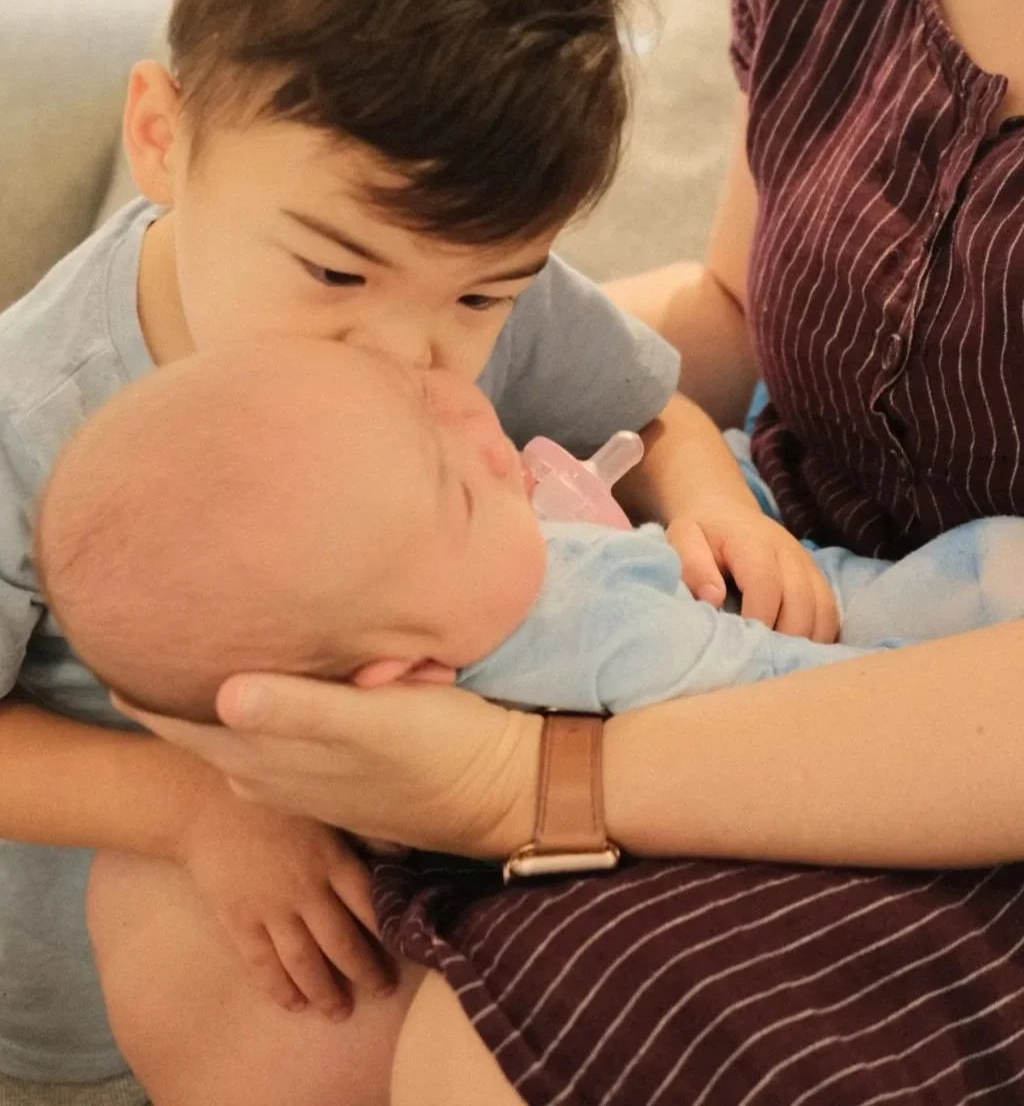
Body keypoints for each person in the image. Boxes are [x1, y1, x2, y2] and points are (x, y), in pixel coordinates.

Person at [126, 0, 1024, 1103]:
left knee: (507, 1051)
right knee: (200, 926)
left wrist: (523, 785)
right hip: (769, 569)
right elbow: (736, 314)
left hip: (958, 738)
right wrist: (440, 356)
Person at [0, 0, 788, 1104]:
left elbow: (648, 414)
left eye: (482, 296)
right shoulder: (36, 403)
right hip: (106, 986)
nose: (413, 359)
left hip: (407, 886)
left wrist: (720, 504)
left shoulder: (450, 294)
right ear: (161, 138)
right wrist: (193, 813)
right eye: (333, 272)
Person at [37, 340, 1024, 730]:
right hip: (847, 650)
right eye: (455, 493)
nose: (478, 424)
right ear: (409, 670)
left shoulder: (463, 584)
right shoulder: (597, 646)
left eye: (414, 397)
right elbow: (810, 708)